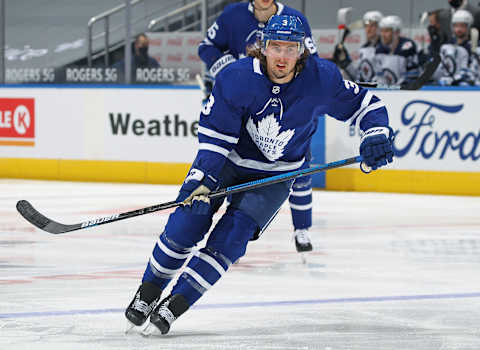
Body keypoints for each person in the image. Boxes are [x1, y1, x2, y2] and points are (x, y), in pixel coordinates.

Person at [124, 14, 394, 336]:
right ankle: (149, 291)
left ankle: (177, 303)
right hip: (229, 161)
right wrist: (202, 181)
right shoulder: (237, 78)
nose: (282, 56)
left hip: (275, 176)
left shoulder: (321, 79)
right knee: (186, 224)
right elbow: (215, 140)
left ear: (302, 51)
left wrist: (375, 133)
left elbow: (366, 104)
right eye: (275, 47)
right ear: (262, 47)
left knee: (231, 239)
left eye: (290, 48)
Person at [198, 0, 318, 253]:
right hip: (243, 108)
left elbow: (311, 64)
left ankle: (302, 229)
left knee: (301, 168)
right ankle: (231, 231)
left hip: (287, 109)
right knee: (236, 165)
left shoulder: (295, 20)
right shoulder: (233, 15)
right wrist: (225, 70)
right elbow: (206, 47)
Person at [333, 10, 383, 82]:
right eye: (366, 26)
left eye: (372, 26)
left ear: (380, 27)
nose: (368, 29)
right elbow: (359, 77)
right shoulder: (364, 49)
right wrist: (345, 61)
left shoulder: (386, 49)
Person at [433, 9, 479, 85]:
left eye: (462, 26)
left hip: (467, 87)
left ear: (469, 27)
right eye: (456, 26)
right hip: (445, 86)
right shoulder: (446, 46)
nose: (458, 29)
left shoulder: (475, 47)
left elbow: (474, 71)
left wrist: (455, 79)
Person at [374, 15, 420, 86]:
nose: (383, 35)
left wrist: (400, 86)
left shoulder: (407, 46)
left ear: (396, 32)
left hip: (404, 92)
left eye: (386, 31)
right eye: (382, 31)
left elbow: (413, 74)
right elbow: (379, 75)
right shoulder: (379, 49)